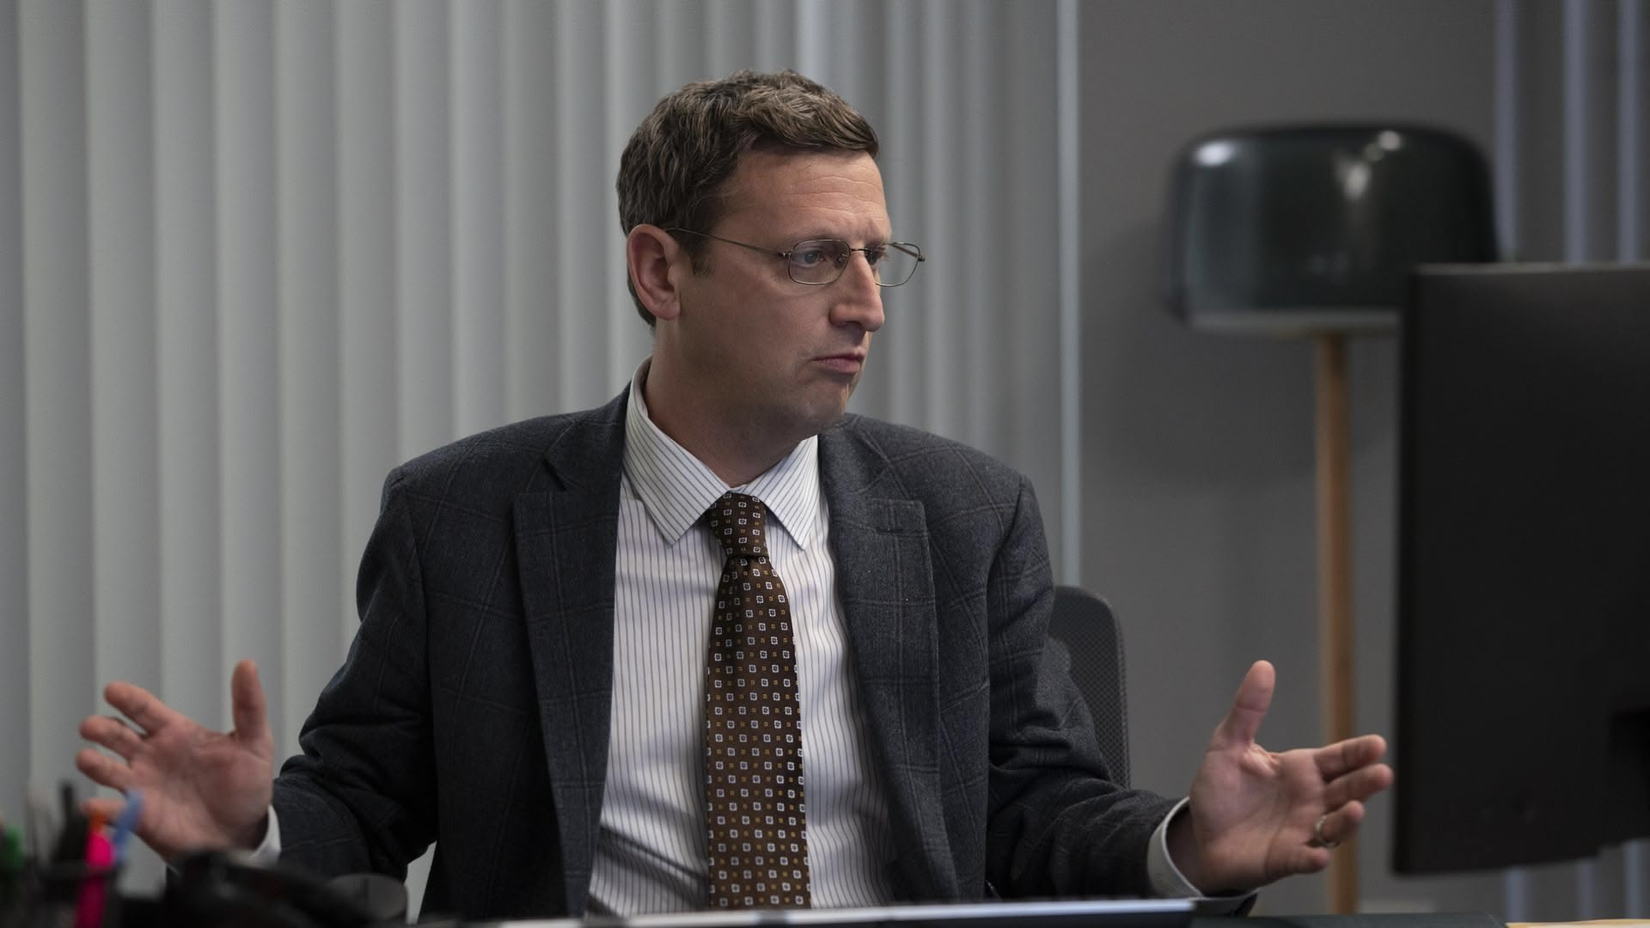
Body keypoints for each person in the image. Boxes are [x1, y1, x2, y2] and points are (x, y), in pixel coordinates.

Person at [76, 70, 1392, 920]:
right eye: (812, 258)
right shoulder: (464, 520)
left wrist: (1184, 842)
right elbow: (360, 802)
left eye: (880, 257)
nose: (868, 305)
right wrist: (248, 824)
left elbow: (1031, 807)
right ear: (662, 270)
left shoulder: (961, 516)